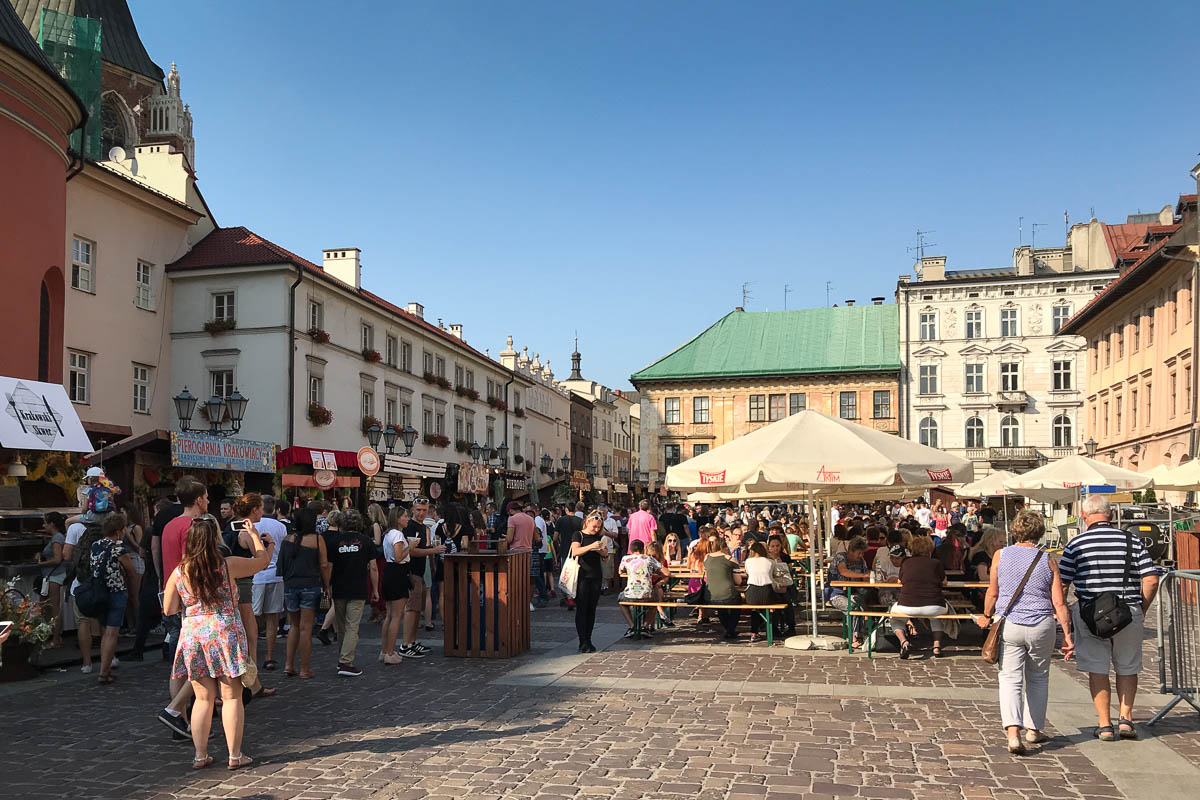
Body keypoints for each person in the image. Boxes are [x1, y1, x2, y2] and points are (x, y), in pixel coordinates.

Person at [163, 514, 270, 770]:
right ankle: (235, 755)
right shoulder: (227, 564)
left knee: (202, 698)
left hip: (194, 633)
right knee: (231, 696)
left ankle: (200, 755)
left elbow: (168, 608)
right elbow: (262, 561)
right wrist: (254, 535)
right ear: (213, 540)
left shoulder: (179, 572)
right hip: (224, 630)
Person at [1059, 495, 1159, 741]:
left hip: (1090, 613)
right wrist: (1141, 609)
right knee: (1127, 667)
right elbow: (1151, 579)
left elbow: (1062, 583)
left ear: (1083, 516)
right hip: (1127, 611)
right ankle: (1125, 720)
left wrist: (1065, 617)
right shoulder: (1132, 541)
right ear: (1111, 515)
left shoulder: (1076, 544)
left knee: (1097, 669)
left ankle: (1104, 725)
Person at [974, 510, 1074, 754]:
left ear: (1015, 530)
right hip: (1041, 624)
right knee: (1039, 678)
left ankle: (1013, 734)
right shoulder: (1047, 559)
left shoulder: (1000, 555)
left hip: (1010, 623)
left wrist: (987, 616)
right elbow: (1059, 602)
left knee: (1010, 678)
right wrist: (1068, 636)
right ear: (1039, 532)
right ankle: (1033, 729)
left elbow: (993, 592)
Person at [155, 477, 208, 737]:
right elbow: (193, 564)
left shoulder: (168, 525)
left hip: (170, 593)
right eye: (206, 497)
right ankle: (178, 714)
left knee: (179, 664)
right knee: (197, 663)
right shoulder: (193, 527)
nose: (208, 502)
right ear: (198, 500)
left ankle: (181, 720)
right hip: (191, 601)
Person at [277, 507, 332, 678]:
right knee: (306, 628)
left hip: (291, 586)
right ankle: (304, 668)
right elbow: (324, 565)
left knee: (294, 625)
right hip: (310, 585)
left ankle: (288, 664)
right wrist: (327, 585)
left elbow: (282, 565)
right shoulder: (317, 539)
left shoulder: (288, 539)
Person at [327, 509, 377, 676]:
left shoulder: (334, 541)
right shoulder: (366, 541)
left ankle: (342, 659)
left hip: (339, 587)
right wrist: (375, 589)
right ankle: (346, 662)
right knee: (352, 626)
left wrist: (327, 585)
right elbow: (374, 568)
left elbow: (329, 566)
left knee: (342, 627)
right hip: (358, 587)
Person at [89, 512, 134, 684]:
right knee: (112, 633)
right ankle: (103, 672)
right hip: (115, 592)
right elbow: (130, 570)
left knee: (104, 632)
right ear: (118, 531)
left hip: (99, 593)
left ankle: (105, 669)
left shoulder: (96, 545)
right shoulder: (118, 548)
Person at [891, 536, 949, 659]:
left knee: (894, 617)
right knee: (936, 617)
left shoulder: (906, 562)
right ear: (930, 550)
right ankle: (937, 646)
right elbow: (944, 582)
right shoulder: (936, 563)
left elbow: (899, 581)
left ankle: (904, 642)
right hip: (934, 605)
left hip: (907, 605)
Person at [400, 499, 443, 658]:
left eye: (424, 510)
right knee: (411, 609)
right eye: (418, 510)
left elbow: (422, 549)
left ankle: (412, 642)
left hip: (420, 571)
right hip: (411, 573)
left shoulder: (424, 527)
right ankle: (405, 645)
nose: (421, 513)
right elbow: (411, 551)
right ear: (413, 509)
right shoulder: (410, 527)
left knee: (418, 609)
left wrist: (431, 555)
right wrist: (433, 551)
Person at [252, 495, 288, 672]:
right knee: (272, 617)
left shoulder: (251, 526)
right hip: (276, 575)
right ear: (274, 509)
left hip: (255, 575)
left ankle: (251, 654)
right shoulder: (281, 527)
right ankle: (269, 656)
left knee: (252, 616)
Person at [570, 510, 608, 652]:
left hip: (596, 575)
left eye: (599, 527)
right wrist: (591, 546)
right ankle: (582, 640)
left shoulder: (599, 537)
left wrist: (602, 552)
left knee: (592, 609)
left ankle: (589, 639)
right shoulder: (578, 535)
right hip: (582, 575)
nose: (596, 529)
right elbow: (575, 551)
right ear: (588, 522)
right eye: (594, 526)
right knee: (582, 608)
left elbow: (606, 556)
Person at [826, 536, 872, 649]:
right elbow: (844, 571)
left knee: (862, 605)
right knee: (852, 607)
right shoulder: (840, 557)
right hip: (835, 593)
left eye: (862, 553)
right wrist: (863, 575)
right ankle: (852, 637)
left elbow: (866, 579)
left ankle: (862, 634)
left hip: (853, 592)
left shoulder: (862, 562)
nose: (861, 556)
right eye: (859, 553)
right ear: (850, 551)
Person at [379, 506, 411, 665]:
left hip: (389, 572)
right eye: (405, 516)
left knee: (390, 614)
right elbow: (399, 557)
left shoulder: (387, 534)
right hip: (397, 572)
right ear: (398, 518)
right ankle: (390, 652)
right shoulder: (397, 534)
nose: (407, 519)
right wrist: (410, 546)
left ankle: (385, 650)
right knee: (396, 616)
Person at [617, 539, 667, 636]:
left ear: (631, 550)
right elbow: (667, 573)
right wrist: (657, 572)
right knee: (655, 602)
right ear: (643, 549)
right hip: (646, 594)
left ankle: (632, 626)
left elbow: (620, 571)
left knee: (621, 601)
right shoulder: (649, 559)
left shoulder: (625, 559)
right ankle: (645, 626)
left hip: (630, 594)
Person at [37, 512, 68, 648]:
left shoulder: (56, 539)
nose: (44, 525)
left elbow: (57, 559)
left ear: (52, 524)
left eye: (45, 523)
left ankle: (56, 639)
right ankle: (54, 636)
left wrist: (40, 563)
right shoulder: (57, 537)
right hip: (52, 575)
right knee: (47, 606)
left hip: (54, 576)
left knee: (54, 607)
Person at [705, 535, 743, 640]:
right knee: (737, 600)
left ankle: (729, 629)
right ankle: (730, 629)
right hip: (727, 595)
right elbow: (738, 581)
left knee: (721, 606)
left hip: (711, 595)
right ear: (725, 547)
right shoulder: (731, 559)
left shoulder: (707, 558)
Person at [366, 503, 389, 623]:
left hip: (377, 557)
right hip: (381, 557)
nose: (367, 514)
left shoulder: (375, 525)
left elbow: (377, 541)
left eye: (369, 511)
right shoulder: (383, 525)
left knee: (375, 583)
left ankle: (380, 609)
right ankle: (378, 609)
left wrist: (367, 541)